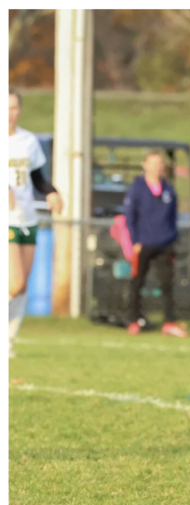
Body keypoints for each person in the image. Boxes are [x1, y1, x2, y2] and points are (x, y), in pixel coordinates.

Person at [9, 89, 63, 359]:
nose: (11, 113)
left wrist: (52, 192)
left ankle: (7, 342)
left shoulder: (27, 140)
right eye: (6, 108)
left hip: (27, 218)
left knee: (22, 287)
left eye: (15, 107)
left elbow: (38, 177)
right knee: (13, 283)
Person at [125, 151, 187, 337]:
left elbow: (173, 217)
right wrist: (135, 241)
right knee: (137, 282)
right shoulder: (137, 188)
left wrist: (173, 238)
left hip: (165, 243)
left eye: (160, 163)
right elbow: (130, 217)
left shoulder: (168, 189)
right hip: (143, 244)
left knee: (167, 284)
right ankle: (134, 320)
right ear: (145, 165)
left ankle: (169, 322)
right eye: (153, 163)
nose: (157, 167)